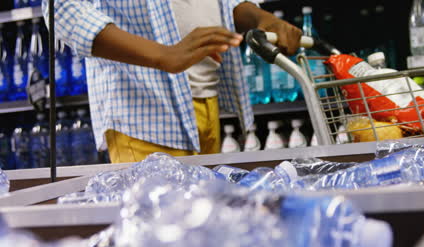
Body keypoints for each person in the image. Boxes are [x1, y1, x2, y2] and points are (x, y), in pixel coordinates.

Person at [43, 0, 302, 163]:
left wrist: (260, 17)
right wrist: (162, 55)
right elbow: (62, 8)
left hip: (208, 102)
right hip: (144, 112)